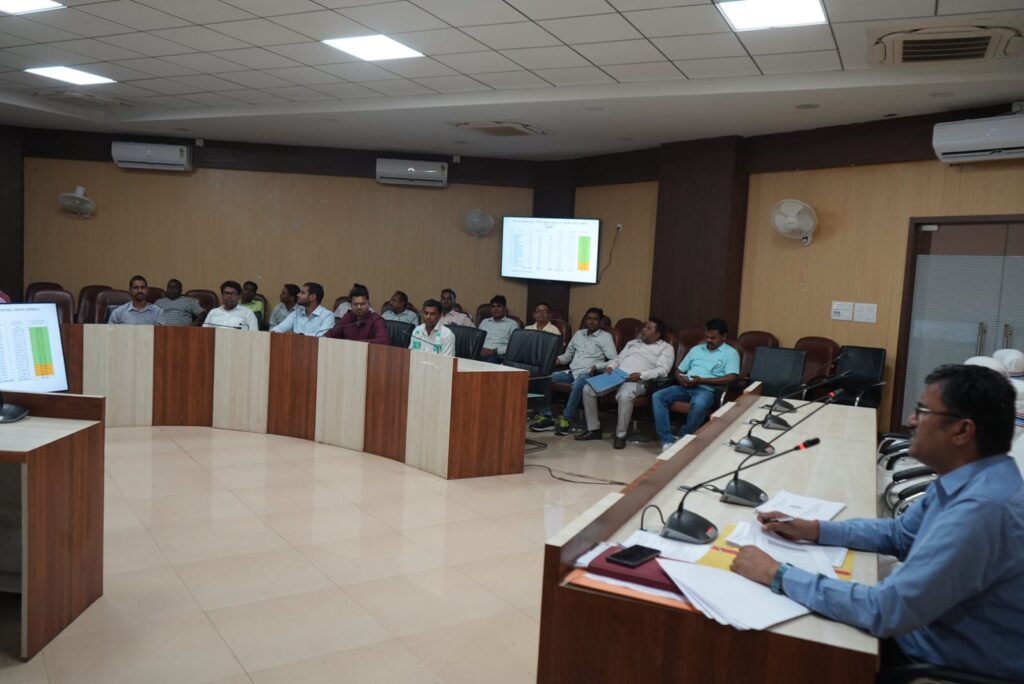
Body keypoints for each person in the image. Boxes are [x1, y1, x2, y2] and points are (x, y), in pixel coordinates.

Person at [731, 364, 1024, 681]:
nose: (911, 420)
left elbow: (885, 610)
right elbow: (900, 534)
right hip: (922, 637)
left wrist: (777, 574)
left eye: (923, 411)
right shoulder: (971, 478)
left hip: (938, 668)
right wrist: (815, 529)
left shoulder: (983, 512)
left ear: (962, 431)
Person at [577, 318, 674, 449]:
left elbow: (663, 371)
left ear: (658, 334)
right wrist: (611, 366)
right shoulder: (632, 343)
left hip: (638, 380)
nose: (643, 330)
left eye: (648, 328)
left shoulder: (666, 348)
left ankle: (620, 435)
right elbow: (619, 358)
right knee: (588, 389)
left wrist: (640, 375)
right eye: (644, 327)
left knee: (624, 395)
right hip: (617, 375)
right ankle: (594, 429)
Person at [651, 318, 740, 449]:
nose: (709, 340)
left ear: (724, 336)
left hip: (706, 390)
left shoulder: (731, 353)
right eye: (707, 337)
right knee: (658, 396)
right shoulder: (696, 349)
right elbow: (679, 370)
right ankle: (667, 440)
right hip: (685, 386)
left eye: (713, 338)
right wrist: (681, 379)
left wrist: (701, 380)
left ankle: (683, 438)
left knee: (699, 404)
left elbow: (731, 377)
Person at [530, 307, 617, 434]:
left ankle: (566, 420)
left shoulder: (606, 337)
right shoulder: (579, 334)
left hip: (590, 374)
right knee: (543, 378)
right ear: (585, 320)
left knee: (578, 384)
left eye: (595, 319)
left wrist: (598, 366)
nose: (591, 321)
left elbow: (614, 360)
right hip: (572, 372)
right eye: (589, 318)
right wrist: (556, 360)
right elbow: (568, 355)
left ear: (600, 322)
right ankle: (547, 417)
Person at [270, 282, 334, 337]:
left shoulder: (327, 315)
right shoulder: (297, 313)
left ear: (312, 297)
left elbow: (323, 336)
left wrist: (299, 336)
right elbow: (280, 328)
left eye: (302, 293)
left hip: (316, 347)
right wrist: (272, 332)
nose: (298, 295)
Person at [478, 294, 518, 363]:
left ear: (504, 308)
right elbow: (477, 340)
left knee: (490, 361)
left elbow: (514, 346)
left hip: (498, 355)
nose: (496, 309)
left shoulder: (512, 324)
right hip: (481, 353)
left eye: (499, 306)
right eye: (493, 306)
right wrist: (479, 349)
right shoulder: (484, 322)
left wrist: (494, 351)